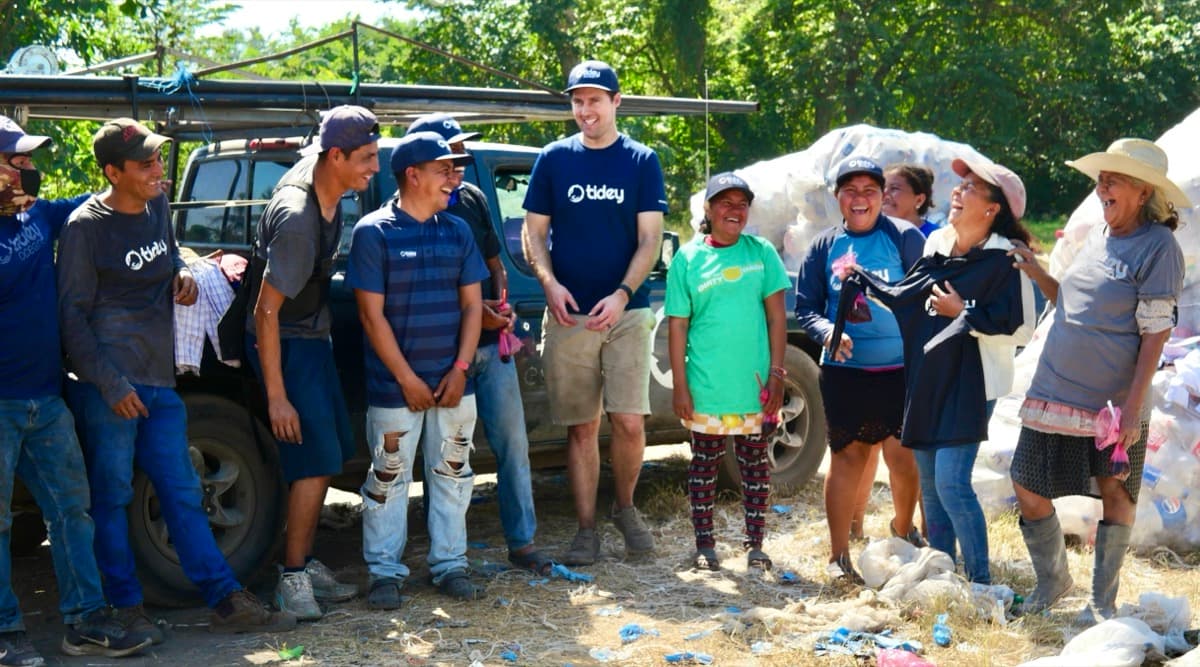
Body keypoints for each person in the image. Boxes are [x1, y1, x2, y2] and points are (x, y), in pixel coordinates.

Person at [58, 118, 296, 639]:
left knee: (184, 490)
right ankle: (126, 610)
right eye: (144, 164)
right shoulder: (85, 227)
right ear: (112, 172)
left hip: (159, 384)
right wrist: (110, 385)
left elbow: (168, 259)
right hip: (109, 389)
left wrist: (183, 272)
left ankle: (226, 598)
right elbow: (71, 316)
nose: (157, 171)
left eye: (157, 160)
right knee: (113, 496)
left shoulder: (158, 206)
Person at [1009, 138, 1188, 622]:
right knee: (1025, 480)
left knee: (1115, 490)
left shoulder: (1159, 247)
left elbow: (1156, 334)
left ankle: (1101, 603)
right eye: (1100, 178)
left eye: (1113, 179)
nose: (1101, 186)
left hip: (1111, 402)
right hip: (1054, 389)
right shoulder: (1099, 236)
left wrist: (1132, 409)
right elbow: (1068, 299)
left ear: (1143, 191)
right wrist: (1036, 272)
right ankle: (1053, 581)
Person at [0, 115, 153, 664]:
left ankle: (85, 621)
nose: (30, 171)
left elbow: (112, 197)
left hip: (46, 397)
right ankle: (5, 634)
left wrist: (185, 262)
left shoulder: (42, 216)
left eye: (29, 161)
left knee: (73, 510)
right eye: (19, 161)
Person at [842, 158, 1035, 584]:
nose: (957, 192)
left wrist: (961, 311)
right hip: (930, 379)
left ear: (992, 209)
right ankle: (942, 575)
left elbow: (1022, 327)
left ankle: (981, 581)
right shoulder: (939, 245)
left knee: (951, 484)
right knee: (930, 485)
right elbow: (907, 294)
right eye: (959, 185)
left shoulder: (1007, 259)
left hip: (975, 384)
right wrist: (864, 282)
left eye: (969, 188)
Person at [521, 59, 667, 565]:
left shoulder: (641, 161)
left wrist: (625, 292)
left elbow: (650, 239)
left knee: (629, 421)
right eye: (578, 101)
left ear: (616, 102)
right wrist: (550, 284)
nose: (586, 110)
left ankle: (624, 508)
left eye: (595, 100)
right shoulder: (553, 160)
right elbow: (533, 234)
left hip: (627, 311)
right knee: (581, 425)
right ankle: (587, 530)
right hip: (569, 314)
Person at [244, 105, 376, 619]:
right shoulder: (300, 220)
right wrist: (277, 396)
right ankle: (292, 578)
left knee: (329, 450)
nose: (372, 168)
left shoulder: (330, 182)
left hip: (310, 334)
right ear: (335, 155)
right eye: (365, 159)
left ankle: (302, 562)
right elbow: (265, 312)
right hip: (285, 340)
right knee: (313, 457)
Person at [405, 114, 552, 574]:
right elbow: (420, 287)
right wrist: (472, 313)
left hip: (492, 347)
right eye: (450, 156)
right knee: (445, 458)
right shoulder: (413, 212)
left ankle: (523, 543)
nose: (459, 165)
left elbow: (495, 261)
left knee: (514, 444)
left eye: (462, 156)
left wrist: (501, 304)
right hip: (445, 356)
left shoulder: (470, 198)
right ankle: (447, 557)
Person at [347, 131, 489, 609]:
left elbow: (474, 307)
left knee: (453, 473)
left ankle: (451, 565)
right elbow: (371, 316)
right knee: (387, 479)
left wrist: (462, 369)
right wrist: (407, 378)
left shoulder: (458, 230)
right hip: (394, 389)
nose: (453, 177)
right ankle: (385, 573)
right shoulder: (373, 232)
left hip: (453, 384)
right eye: (442, 169)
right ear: (412, 174)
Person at [795, 156, 925, 584]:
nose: (860, 199)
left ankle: (902, 535)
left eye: (870, 191)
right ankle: (838, 557)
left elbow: (924, 295)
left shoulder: (904, 238)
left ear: (882, 197)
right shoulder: (822, 246)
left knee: (902, 458)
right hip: (845, 371)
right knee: (848, 456)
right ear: (838, 198)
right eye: (850, 191)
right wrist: (830, 331)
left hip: (900, 368)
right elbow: (807, 309)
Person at [666, 172, 788, 571]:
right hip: (706, 386)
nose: (734, 211)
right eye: (725, 202)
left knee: (754, 466)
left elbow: (776, 319)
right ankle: (705, 545)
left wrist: (776, 373)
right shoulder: (687, 258)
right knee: (704, 468)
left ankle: (756, 544)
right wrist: (680, 386)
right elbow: (679, 325)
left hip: (753, 387)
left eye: (742, 204)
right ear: (708, 208)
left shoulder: (762, 253)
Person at [848, 163, 938, 541]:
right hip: (865, 362)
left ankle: (920, 528)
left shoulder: (931, 239)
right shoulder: (866, 235)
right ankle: (854, 525)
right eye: (884, 188)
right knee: (863, 446)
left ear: (919, 199)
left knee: (911, 449)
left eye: (895, 189)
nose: (885, 196)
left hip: (914, 358)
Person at [883, 164, 940, 237]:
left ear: (919, 200)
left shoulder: (936, 238)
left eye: (894, 188)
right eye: (882, 187)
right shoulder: (874, 233)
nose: (884, 193)